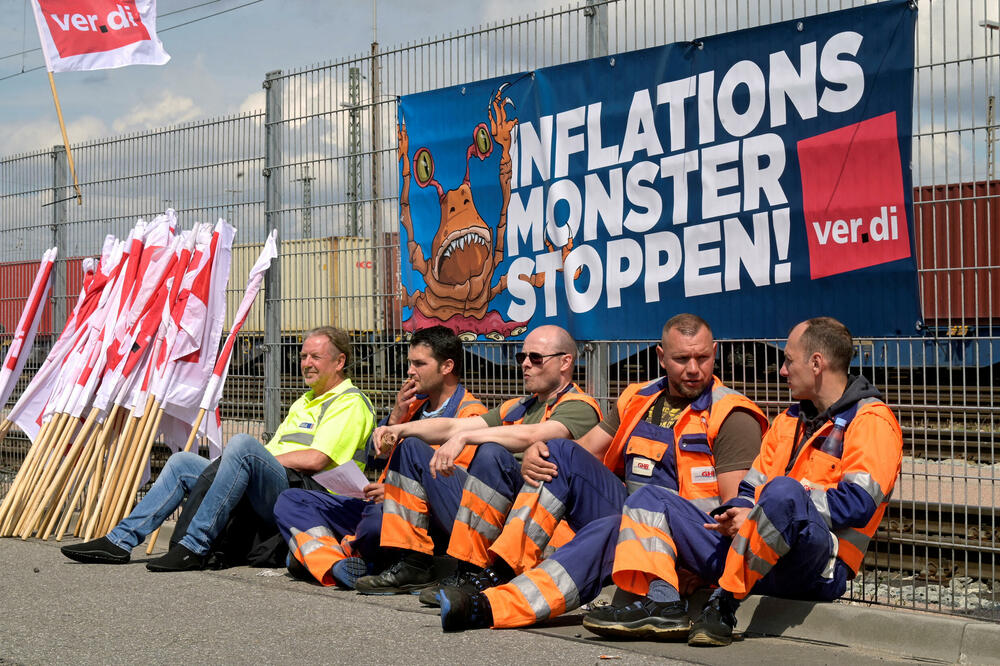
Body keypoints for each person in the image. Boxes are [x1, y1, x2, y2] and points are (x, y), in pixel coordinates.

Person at [582, 316, 903, 647]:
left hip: (815, 566)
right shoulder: (790, 419)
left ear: (817, 364)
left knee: (785, 493)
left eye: (789, 360)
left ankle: (724, 603)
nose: (782, 370)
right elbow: (750, 489)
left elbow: (858, 505)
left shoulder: (871, 421)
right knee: (649, 499)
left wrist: (771, 512)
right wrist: (738, 511)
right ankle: (662, 603)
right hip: (756, 553)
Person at [436, 313, 767, 632]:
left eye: (703, 358)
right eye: (682, 359)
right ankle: (504, 570)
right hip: (631, 521)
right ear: (661, 357)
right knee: (560, 451)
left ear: (715, 353)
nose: (694, 369)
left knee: (603, 535)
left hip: (682, 541)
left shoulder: (731, 415)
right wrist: (539, 450)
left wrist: (691, 569)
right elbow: (585, 450)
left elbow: (733, 521)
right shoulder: (638, 397)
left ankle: (490, 608)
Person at [61, 326, 375, 572]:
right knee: (183, 461)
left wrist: (255, 459)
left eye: (315, 357)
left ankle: (195, 547)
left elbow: (316, 459)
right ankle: (119, 541)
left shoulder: (348, 402)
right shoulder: (305, 401)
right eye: (304, 356)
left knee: (243, 446)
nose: (306, 363)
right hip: (277, 484)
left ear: (339, 361)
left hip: (309, 497)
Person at [354, 324, 602, 595]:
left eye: (535, 358)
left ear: (566, 362)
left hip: (539, 527)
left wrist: (467, 438)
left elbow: (534, 434)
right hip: (500, 516)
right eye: (522, 358)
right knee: (411, 447)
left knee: (491, 452)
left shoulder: (580, 406)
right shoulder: (518, 406)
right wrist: (398, 429)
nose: (525, 365)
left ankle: (472, 571)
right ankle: (414, 563)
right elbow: (451, 427)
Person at [272, 325, 487, 587]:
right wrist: (396, 416)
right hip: (377, 502)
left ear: (447, 367)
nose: (410, 371)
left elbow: (450, 490)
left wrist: (397, 492)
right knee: (292, 500)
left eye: (419, 363)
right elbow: (375, 458)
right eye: (410, 363)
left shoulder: (470, 415)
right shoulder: (413, 406)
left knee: (375, 524)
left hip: (416, 515)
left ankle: (328, 555)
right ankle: (335, 563)